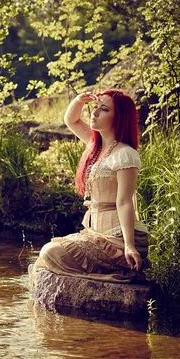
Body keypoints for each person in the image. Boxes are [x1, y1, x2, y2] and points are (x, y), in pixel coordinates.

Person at [33, 89, 150, 283]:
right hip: (97, 233)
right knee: (48, 253)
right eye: (94, 107)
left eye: (103, 109)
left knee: (51, 252)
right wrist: (80, 100)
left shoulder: (125, 154)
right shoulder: (96, 144)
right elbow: (71, 120)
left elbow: (124, 202)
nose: (94, 113)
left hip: (118, 238)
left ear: (119, 117)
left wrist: (129, 245)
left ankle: (114, 274)